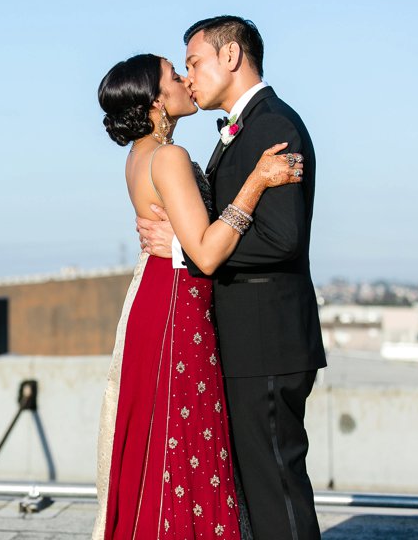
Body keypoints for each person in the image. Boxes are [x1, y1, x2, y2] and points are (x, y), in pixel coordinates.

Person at [92, 52, 304, 540]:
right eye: (174, 74)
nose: (186, 79)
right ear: (154, 101)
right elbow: (206, 255)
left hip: (156, 296)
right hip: (175, 307)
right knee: (185, 439)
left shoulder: (140, 156)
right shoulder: (168, 157)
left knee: (163, 441)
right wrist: (256, 182)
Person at [137, 16, 327, 540]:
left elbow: (282, 238)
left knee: (276, 489)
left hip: (267, 339)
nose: (190, 76)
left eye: (193, 62)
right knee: (261, 491)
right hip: (249, 341)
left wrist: (185, 252)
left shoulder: (273, 127)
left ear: (231, 56)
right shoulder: (244, 129)